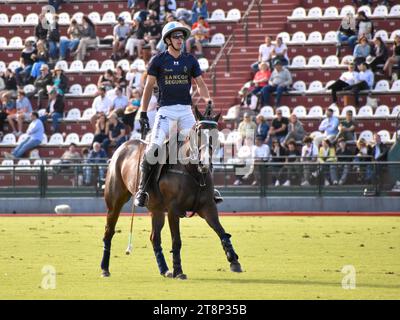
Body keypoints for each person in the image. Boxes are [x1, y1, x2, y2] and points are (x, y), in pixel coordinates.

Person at [134, 21, 222, 207]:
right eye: (176, 36)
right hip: (165, 111)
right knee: (152, 149)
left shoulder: (190, 60)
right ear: (167, 40)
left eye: (182, 36)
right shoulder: (158, 60)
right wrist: (143, 111)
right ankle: (143, 190)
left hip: (185, 111)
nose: (180, 40)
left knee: (202, 147)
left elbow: (200, 84)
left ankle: (210, 189)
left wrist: (208, 101)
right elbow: (149, 86)